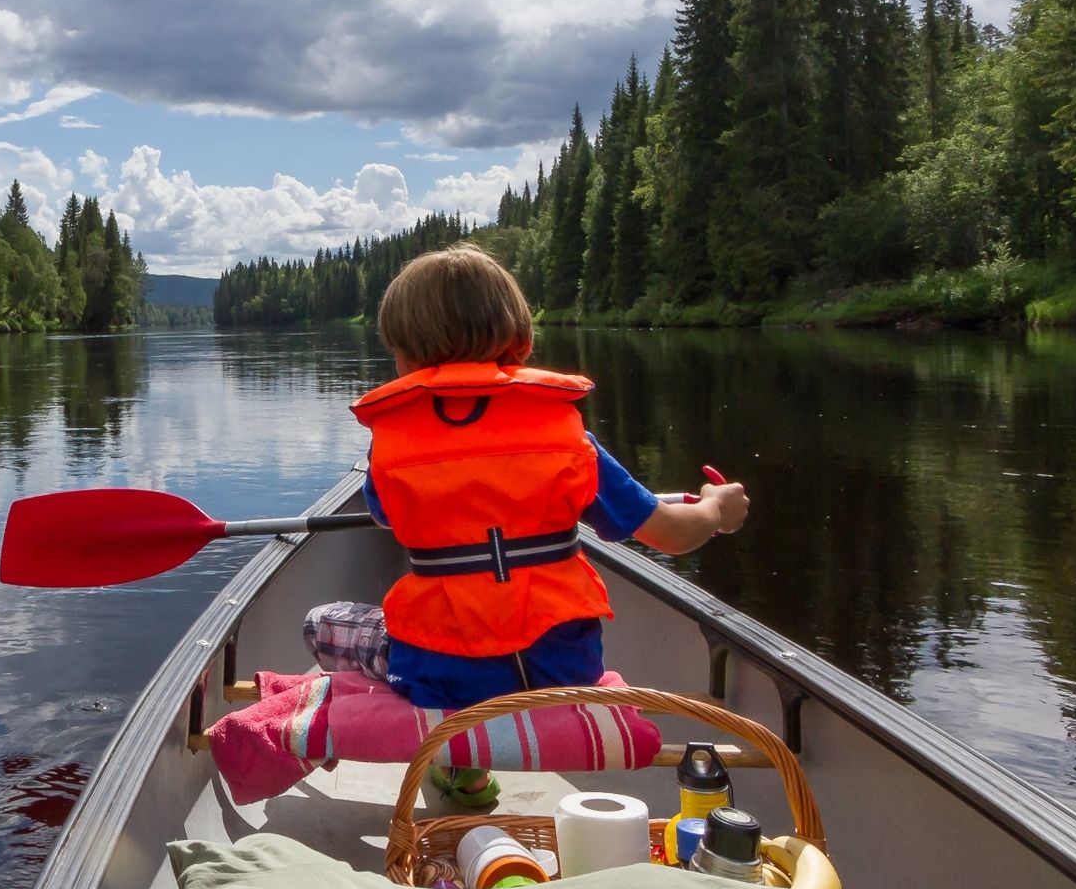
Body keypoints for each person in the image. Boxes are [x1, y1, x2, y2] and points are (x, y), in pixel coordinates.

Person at [306, 244, 748, 805]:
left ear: (406, 357)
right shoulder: (567, 436)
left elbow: (385, 514)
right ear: (519, 336)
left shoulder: (391, 446)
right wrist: (716, 508)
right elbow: (674, 533)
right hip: (564, 673)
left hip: (444, 680)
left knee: (322, 622)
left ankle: (458, 772)